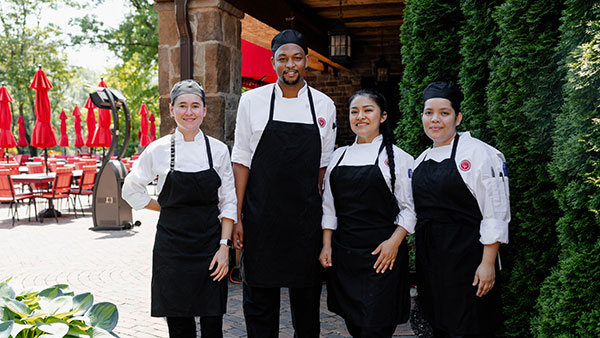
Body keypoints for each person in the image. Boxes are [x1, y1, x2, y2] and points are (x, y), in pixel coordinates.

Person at [231, 29, 337, 337]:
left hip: (305, 223)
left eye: (297, 58)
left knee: (306, 308)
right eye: (282, 59)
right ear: (273, 61)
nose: (290, 65)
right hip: (261, 218)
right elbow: (241, 161)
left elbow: (323, 169)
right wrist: (237, 216)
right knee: (260, 305)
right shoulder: (251, 101)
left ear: (306, 61)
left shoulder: (324, 106)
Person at [122, 79, 236, 338]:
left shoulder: (218, 151)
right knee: (179, 326)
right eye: (182, 105)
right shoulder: (157, 150)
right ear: (171, 110)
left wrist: (224, 247)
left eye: (195, 105)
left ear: (205, 110)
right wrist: (163, 208)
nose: (189, 112)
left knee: (212, 324)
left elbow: (228, 201)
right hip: (172, 250)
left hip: (210, 247)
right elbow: (130, 190)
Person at [412, 82, 510, 338]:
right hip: (431, 264)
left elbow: (495, 212)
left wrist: (487, 263)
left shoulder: (480, 153)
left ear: (458, 117)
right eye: (428, 112)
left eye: (444, 113)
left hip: (469, 263)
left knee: (470, 328)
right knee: (439, 325)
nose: (435, 119)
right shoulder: (420, 160)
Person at [318, 89, 416, 337]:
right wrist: (327, 245)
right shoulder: (338, 156)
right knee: (354, 325)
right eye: (354, 111)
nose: (360, 116)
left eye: (367, 110)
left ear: (383, 116)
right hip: (346, 255)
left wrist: (394, 243)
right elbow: (329, 207)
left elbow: (410, 208)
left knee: (375, 327)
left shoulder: (399, 159)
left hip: (382, 256)